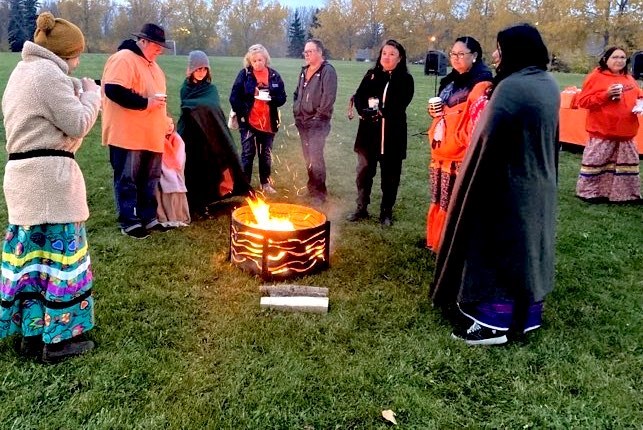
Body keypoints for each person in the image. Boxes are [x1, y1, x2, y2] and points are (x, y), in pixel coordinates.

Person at [430, 23, 560, 346]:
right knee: (527, 248)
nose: (496, 55)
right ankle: (525, 317)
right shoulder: (547, 83)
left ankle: (492, 323)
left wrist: (471, 184)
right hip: (538, 182)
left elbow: (485, 141)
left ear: (516, 51)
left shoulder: (512, 88)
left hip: (506, 185)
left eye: (501, 49)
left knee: (496, 247)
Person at [1, 12, 101, 362]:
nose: (78, 61)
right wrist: (92, 96)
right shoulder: (48, 75)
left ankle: (32, 335)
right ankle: (58, 342)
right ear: (66, 54)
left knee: (32, 262)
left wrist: (74, 90)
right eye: (77, 55)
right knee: (62, 261)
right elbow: (76, 122)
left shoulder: (23, 72)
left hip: (23, 179)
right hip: (50, 184)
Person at [101, 23, 171, 239]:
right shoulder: (124, 58)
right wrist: (144, 103)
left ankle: (148, 217)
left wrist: (166, 120)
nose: (159, 50)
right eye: (156, 45)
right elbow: (113, 90)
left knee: (150, 179)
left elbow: (158, 98)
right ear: (143, 41)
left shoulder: (154, 67)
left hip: (151, 134)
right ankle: (129, 221)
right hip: (127, 134)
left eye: (161, 46)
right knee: (127, 179)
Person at [425, 36, 493, 251]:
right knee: (438, 198)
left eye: (461, 54)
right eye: (453, 54)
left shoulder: (482, 83)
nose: (456, 58)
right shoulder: (451, 81)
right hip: (441, 150)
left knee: (453, 202)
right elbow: (444, 111)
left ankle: (449, 243)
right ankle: (434, 240)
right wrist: (435, 113)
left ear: (474, 56)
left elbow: (476, 121)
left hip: (459, 154)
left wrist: (457, 139)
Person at [346, 40, 415, 226]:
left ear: (400, 58)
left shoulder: (405, 80)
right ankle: (361, 207)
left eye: (392, 54)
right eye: (384, 53)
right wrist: (364, 111)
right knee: (363, 172)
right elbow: (359, 96)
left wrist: (381, 112)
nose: (387, 57)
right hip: (368, 136)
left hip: (391, 137)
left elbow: (400, 104)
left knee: (390, 176)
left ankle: (386, 212)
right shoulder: (371, 76)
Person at [178, 50, 252, 217]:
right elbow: (189, 107)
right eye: (198, 69)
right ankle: (193, 202)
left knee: (210, 167)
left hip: (209, 133)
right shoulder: (185, 88)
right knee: (192, 168)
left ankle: (207, 200)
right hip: (191, 133)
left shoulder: (211, 89)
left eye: (204, 69)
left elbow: (212, 109)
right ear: (191, 70)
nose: (201, 73)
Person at [574, 47, 642, 203]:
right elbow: (583, 101)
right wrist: (606, 94)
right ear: (606, 59)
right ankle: (591, 193)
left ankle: (625, 195)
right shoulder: (595, 77)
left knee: (626, 165)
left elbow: (636, 93)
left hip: (626, 132)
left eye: (623, 57)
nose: (619, 60)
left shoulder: (628, 78)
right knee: (598, 163)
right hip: (602, 131)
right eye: (615, 57)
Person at [229, 44, 287, 194]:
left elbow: (282, 98)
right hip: (249, 122)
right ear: (250, 61)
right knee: (248, 154)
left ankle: (265, 184)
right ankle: (244, 185)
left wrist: (271, 98)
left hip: (268, 123)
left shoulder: (274, 75)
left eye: (260, 60)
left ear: (266, 59)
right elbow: (234, 97)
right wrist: (243, 113)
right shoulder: (245, 75)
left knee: (265, 155)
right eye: (254, 61)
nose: (258, 63)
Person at [293, 38, 338, 205]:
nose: (307, 54)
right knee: (307, 156)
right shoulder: (304, 70)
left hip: (318, 122)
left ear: (320, 52)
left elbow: (329, 97)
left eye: (310, 51)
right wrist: (296, 110)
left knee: (315, 156)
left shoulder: (327, 71)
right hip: (302, 120)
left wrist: (318, 117)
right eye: (305, 51)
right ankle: (312, 188)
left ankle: (320, 193)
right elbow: (297, 93)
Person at [156, 115, 190, 227]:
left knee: (177, 192)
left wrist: (174, 171)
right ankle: (166, 217)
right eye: (166, 124)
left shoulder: (177, 139)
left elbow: (180, 156)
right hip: (162, 173)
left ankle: (179, 216)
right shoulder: (158, 140)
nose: (170, 127)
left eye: (171, 124)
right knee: (164, 191)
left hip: (177, 172)